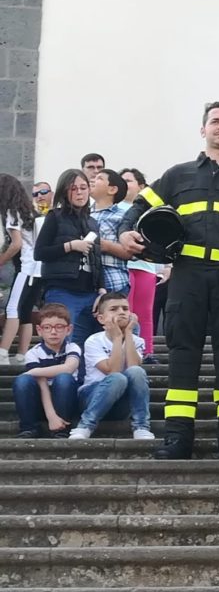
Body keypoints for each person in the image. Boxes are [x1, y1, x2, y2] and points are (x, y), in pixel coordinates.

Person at [119, 100, 219, 460]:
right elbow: (137, 209)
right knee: (183, 354)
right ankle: (177, 436)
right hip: (187, 276)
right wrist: (126, 232)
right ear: (203, 129)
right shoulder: (177, 175)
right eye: (215, 121)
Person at [68, 292, 152, 440]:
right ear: (101, 318)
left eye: (125, 309)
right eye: (114, 309)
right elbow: (113, 371)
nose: (121, 312)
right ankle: (85, 426)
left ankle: (141, 427)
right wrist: (118, 337)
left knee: (137, 372)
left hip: (121, 403)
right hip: (92, 395)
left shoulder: (137, 340)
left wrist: (128, 333)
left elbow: (133, 368)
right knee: (117, 378)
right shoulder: (93, 341)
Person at [34, 169, 104, 347]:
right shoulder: (55, 217)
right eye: (74, 189)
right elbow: (40, 252)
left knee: (88, 343)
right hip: (62, 288)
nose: (80, 193)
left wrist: (102, 289)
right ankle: (58, 374)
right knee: (61, 341)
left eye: (83, 188)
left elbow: (97, 259)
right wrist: (70, 246)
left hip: (90, 290)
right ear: (65, 191)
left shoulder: (92, 222)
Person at [12, 303, 81, 438]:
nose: (53, 332)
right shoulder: (33, 353)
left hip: (66, 400)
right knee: (23, 381)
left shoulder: (72, 348)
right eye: (47, 327)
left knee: (64, 378)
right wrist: (51, 416)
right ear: (39, 330)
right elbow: (42, 384)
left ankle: (62, 428)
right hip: (41, 402)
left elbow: (68, 368)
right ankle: (29, 427)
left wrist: (32, 371)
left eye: (59, 327)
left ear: (69, 329)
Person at [121, 168, 159, 362]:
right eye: (122, 181)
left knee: (145, 312)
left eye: (129, 180)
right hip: (122, 266)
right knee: (125, 310)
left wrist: (165, 268)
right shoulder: (114, 207)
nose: (124, 184)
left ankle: (147, 351)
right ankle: (125, 350)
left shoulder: (151, 211)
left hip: (145, 266)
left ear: (141, 186)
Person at [0, 174, 38, 364]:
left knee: (13, 308)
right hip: (38, 269)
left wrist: (1, 260)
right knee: (25, 312)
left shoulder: (10, 212)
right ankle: (22, 355)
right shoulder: (29, 211)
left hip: (26, 267)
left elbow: (16, 245)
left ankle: (3, 353)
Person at [90, 169, 131, 295]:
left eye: (99, 178)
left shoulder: (123, 216)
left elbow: (131, 252)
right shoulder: (84, 214)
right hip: (87, 281)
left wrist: (106, 246)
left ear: (112, 190)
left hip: (114, 281)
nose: (93, 180)